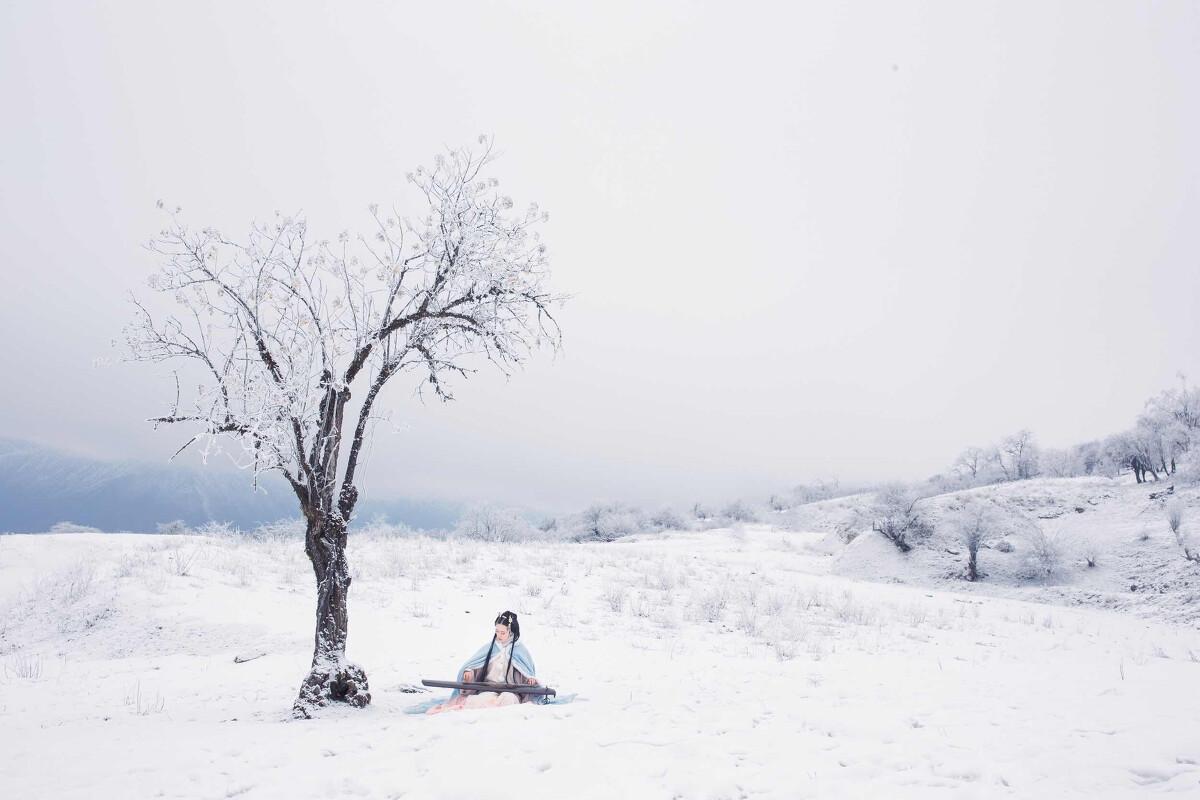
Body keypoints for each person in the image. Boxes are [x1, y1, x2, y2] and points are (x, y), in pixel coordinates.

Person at [426, 610, 542, 714]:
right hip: (488, 688)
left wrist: (529, 679)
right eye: (497, 631)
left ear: (511, 632)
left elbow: (526, 672)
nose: (499, 635)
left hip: (511, 691)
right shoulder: (490, 647)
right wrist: (469, 673)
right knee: (479, 701)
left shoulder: (519, 649)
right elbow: (475, 665)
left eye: (503, 633)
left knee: (508, 700)